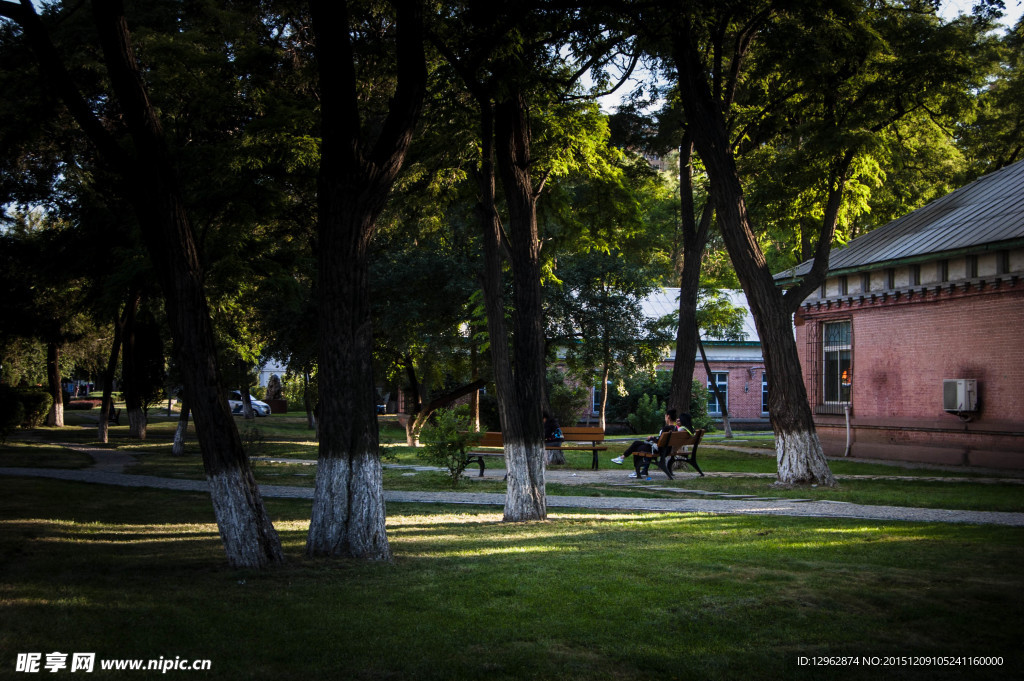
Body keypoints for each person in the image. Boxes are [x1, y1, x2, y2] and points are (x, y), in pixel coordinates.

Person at [611, 409, 677, 480]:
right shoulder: (675, 428)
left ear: (668, 417)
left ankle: (635, 469)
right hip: (666, 450)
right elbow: (662, 440)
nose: (665, 418)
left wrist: (651, 438)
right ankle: (623, 458)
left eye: (665, 416)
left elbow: (659, 441)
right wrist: (653, 438)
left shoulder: (666, 428)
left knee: (636, 448)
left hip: (658, 450)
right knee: (637, 443)